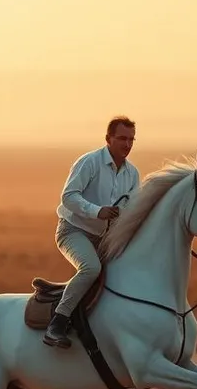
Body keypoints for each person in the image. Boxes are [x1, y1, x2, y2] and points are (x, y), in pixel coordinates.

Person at [43, 116, 141, 349]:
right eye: (121, 138)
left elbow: (134, 208)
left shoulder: (132, 174)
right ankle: (58, 322)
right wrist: (97, 212)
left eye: (131, 139)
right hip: (73, 230)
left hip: (106, 239)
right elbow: (68, 197)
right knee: (91, 268)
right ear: (108, 139)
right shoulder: (89, 162)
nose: (127, 144)